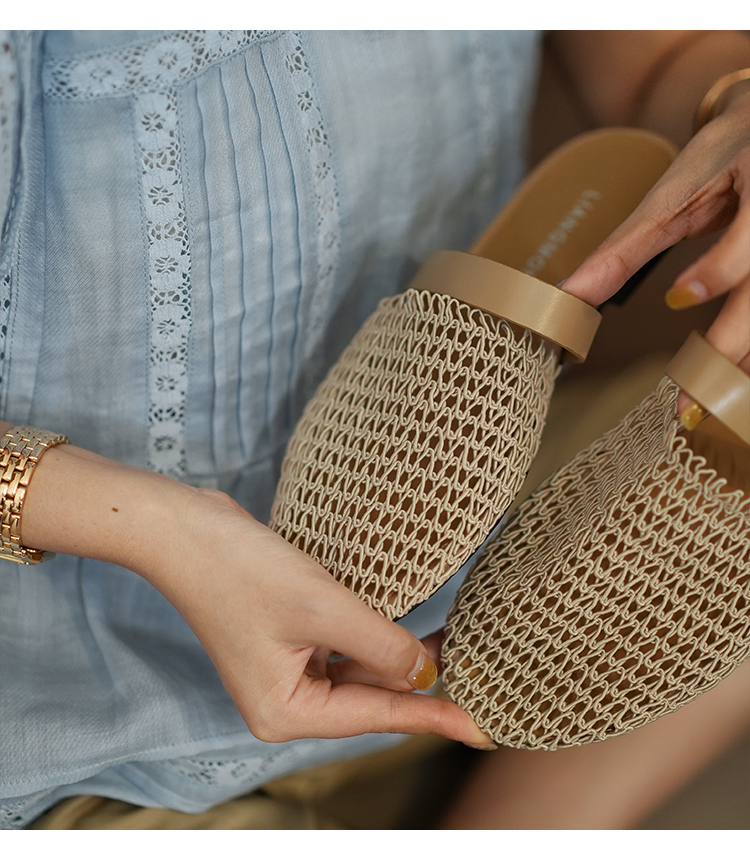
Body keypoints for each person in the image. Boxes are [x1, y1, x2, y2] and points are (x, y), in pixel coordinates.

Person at [0, 29, 748, 829]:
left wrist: (732, 97)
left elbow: (664, 54)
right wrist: (162, 531)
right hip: (99, 744)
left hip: (465, 606)